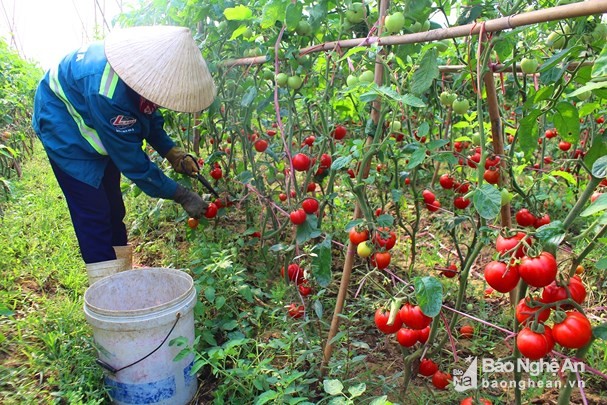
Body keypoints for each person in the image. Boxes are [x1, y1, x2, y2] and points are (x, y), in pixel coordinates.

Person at [32, 25, 215, 285]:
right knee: (93, 212)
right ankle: (108, 290)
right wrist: (182, 194)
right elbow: (134, 164)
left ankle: (122, 276)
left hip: (93, 109)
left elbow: (148, 114)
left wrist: (171, 151)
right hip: (63, 122)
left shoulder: (142, 75)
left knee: (114, 206)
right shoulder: (108, 92)